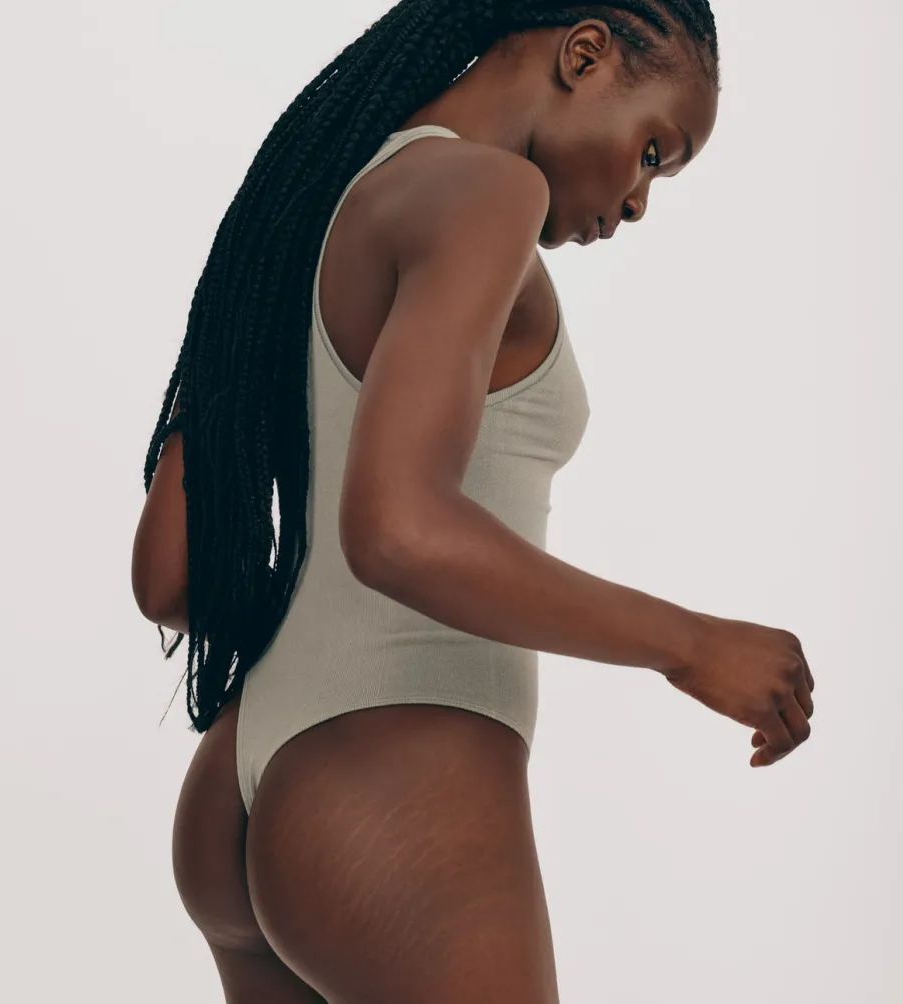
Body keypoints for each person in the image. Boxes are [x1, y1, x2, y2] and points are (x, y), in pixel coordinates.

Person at [130, 2, 816, 1001]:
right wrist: (691, 644)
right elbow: (398, 530)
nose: (637, 202)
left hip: (239, 794)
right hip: (397, 787)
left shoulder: (318, 199)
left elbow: (168, 578)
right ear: (585, 54)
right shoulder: (488, 192)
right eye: (654, 152)